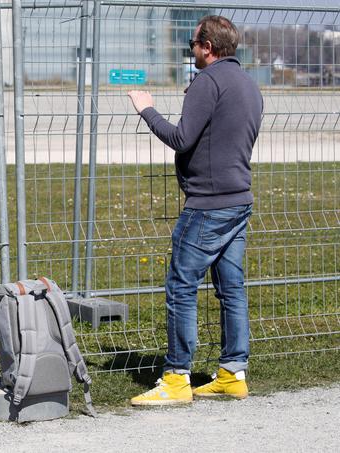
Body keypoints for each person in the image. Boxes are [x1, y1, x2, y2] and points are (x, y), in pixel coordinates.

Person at [127, 16, 263, 405]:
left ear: (207, 47)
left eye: (193, 43)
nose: (191, 49)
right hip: (239, 201)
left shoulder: (208, 82)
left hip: (207, 205)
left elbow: (182, 138)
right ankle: (232, 373)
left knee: (181, 286)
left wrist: (146, 109)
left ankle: (176, 377)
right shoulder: (249, 85)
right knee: (232, 289)